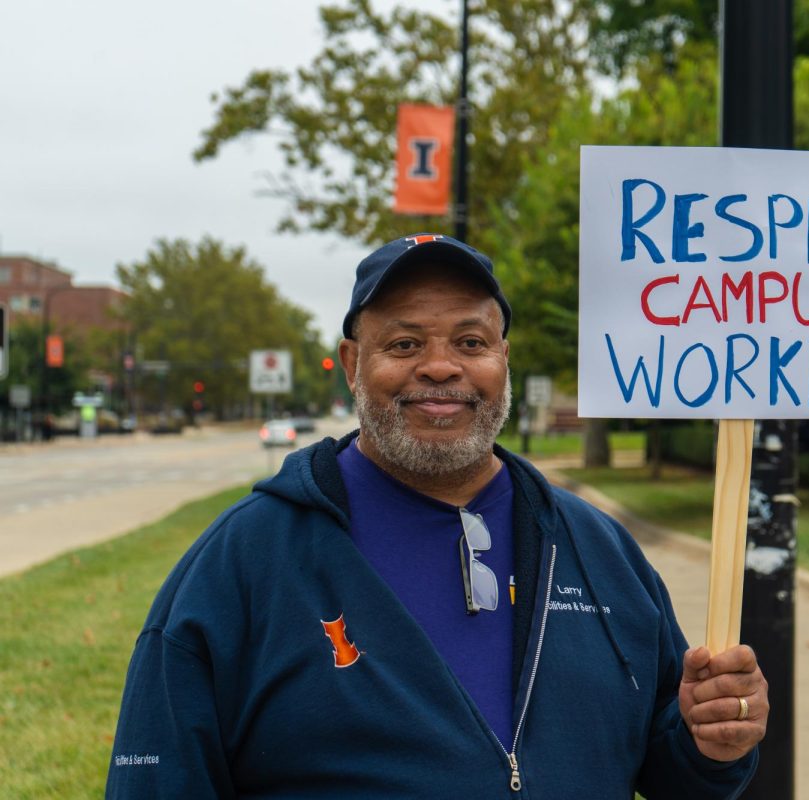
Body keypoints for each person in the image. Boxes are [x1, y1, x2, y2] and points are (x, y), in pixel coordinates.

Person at [107, 233, 769, 798]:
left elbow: (675, 771)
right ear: (351, 365)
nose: (441, 366)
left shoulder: (595, 550)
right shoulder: (244, 564)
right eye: (403, 344)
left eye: (471, 341)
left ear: (502, 361)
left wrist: (713, 743)